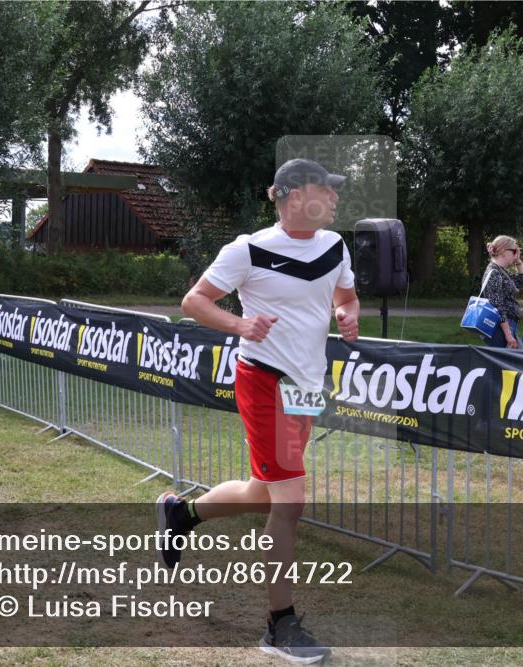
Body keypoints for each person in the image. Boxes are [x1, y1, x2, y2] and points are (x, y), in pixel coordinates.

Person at [157, 159, 359, 663]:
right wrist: (240, 326)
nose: (335, 199)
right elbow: (194, 301)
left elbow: (347, 295)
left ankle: (180, 514)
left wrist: (344, 314)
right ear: (292, 195)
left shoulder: (334, 247)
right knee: (289, 500)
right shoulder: (247, 249)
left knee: (264, 492)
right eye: (325, 189)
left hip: (306, 384)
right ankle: (279, 624)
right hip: (264, 381)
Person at [480, 235, 523, 349]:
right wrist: (508, 334)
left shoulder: (501, 271)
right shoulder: (494, 272)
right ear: (503, 252)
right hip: (500, 327)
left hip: (507, 324)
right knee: (506, 363)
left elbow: (522, 282)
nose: (516, 254)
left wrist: (518, 262)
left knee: (511, 362)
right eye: (514, 251)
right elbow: (497, 305)